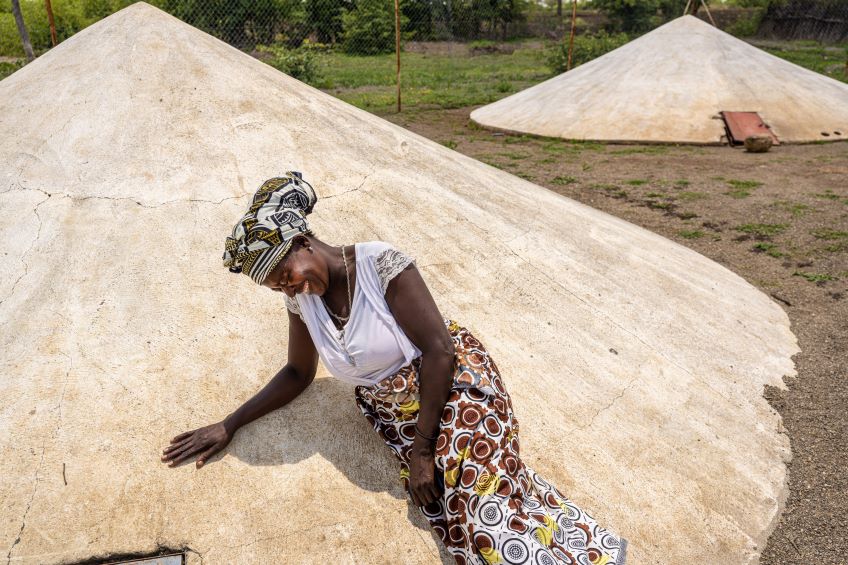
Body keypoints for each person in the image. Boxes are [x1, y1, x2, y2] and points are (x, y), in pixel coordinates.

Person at [161, 173, 628, 565]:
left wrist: (424, 452)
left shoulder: (379, 265)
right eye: (277, 287)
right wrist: (230, 424)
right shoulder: (304, 305)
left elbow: (439, 349)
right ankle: (588, 552)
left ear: (302, 242)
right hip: (396, 416)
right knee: (454, 515)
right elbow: (298, 374)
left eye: (286, 274)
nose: (290, 289)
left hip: (455, 391)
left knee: (485, 517)